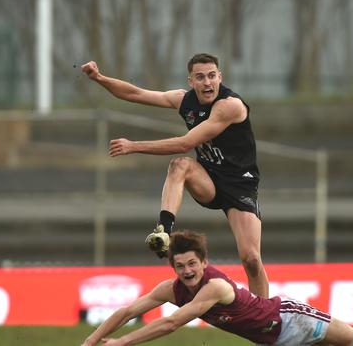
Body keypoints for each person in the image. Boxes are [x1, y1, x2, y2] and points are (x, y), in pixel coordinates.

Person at [81, 53, 269, 297]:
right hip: (208, 179)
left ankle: (266, 318)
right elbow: (135, 94)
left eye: (212, 76)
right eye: (200, 77)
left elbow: (185, 143)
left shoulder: (229, 106)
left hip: (239, 184)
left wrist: (133, 146)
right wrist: (99, 78)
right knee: (180, 165)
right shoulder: (183, 99)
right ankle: (164, 231)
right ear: (190, 80)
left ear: (220, 77)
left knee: (252, 259)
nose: (207, 83)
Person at [81, 230, 353, 346]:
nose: (186, 272)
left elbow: (170, 324)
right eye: (180, 267)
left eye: (192, 264)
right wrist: (92, 341)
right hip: (276, 338)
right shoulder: (171, 286)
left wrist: (121, 344)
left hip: (290, 320)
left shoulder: (213, 286)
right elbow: (127, 311)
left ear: (203, 261)